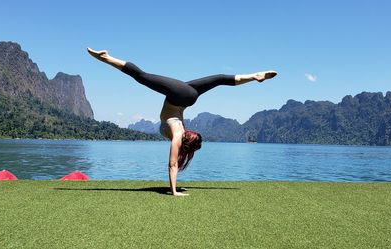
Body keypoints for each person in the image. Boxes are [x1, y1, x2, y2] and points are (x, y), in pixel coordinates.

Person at [88, 48, 277, 196]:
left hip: (189, 96)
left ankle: (254, 76)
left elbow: (174, 164)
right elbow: (172, 165)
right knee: (142, 76)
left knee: (220, 78)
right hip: (180, 95)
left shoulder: (181, 132)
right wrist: (174, 190)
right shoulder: (178, 135)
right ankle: (105, 58)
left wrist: (175, 189)